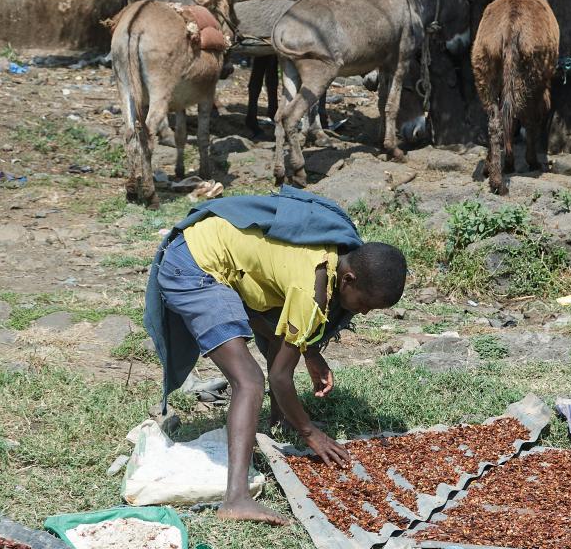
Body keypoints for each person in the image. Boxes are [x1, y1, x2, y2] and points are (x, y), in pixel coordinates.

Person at [144, 186, 407, 524]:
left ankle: (281, 419)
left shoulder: (332, 255)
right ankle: (236, 499)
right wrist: (309, 432)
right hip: (194, 266)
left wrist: (309, 351)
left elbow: (289, 335)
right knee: (249, 381)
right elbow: (280, 377)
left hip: (219, 255)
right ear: (349, 279)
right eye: (365, 304)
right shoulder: (309, 289)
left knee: (279, 339)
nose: (365, 313)